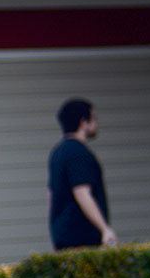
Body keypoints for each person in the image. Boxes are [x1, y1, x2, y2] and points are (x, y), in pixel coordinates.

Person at [47, 98, 117, 250]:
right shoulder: (79, 153)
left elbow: (51, 195)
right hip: (83, 237)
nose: (96, 124)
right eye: (94, 119)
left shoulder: (57, 153)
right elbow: (82, 192)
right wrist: (104, 229)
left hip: (63, 237)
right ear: (83, 122)